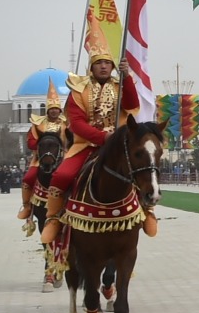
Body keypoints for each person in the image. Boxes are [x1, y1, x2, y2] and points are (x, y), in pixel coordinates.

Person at [39, 28, 142, 245]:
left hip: (118, 147)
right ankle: (53, 218)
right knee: (61, 176)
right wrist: (102, 138)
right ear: (91, 66)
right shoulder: (79, 90)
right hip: (86, 145)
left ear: (113, 66)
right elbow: (76, 123)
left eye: (107, 62)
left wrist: (128, 76)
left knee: (142, 170)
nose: (103, 66)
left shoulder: (120, 85)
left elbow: (132, 106)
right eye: (99, 63)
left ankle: (147, 210)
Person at [19, 79, 71, 223]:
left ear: (60, 110)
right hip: (40, 159)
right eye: (51, 109)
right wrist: (42, 145)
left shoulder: (66, 124)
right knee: (28, 178)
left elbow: (71, 139)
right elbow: (30, 141)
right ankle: (27, 207)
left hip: (64, 157)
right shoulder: (38, 124)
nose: (54, 111)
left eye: (57, 109)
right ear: (47, 109)